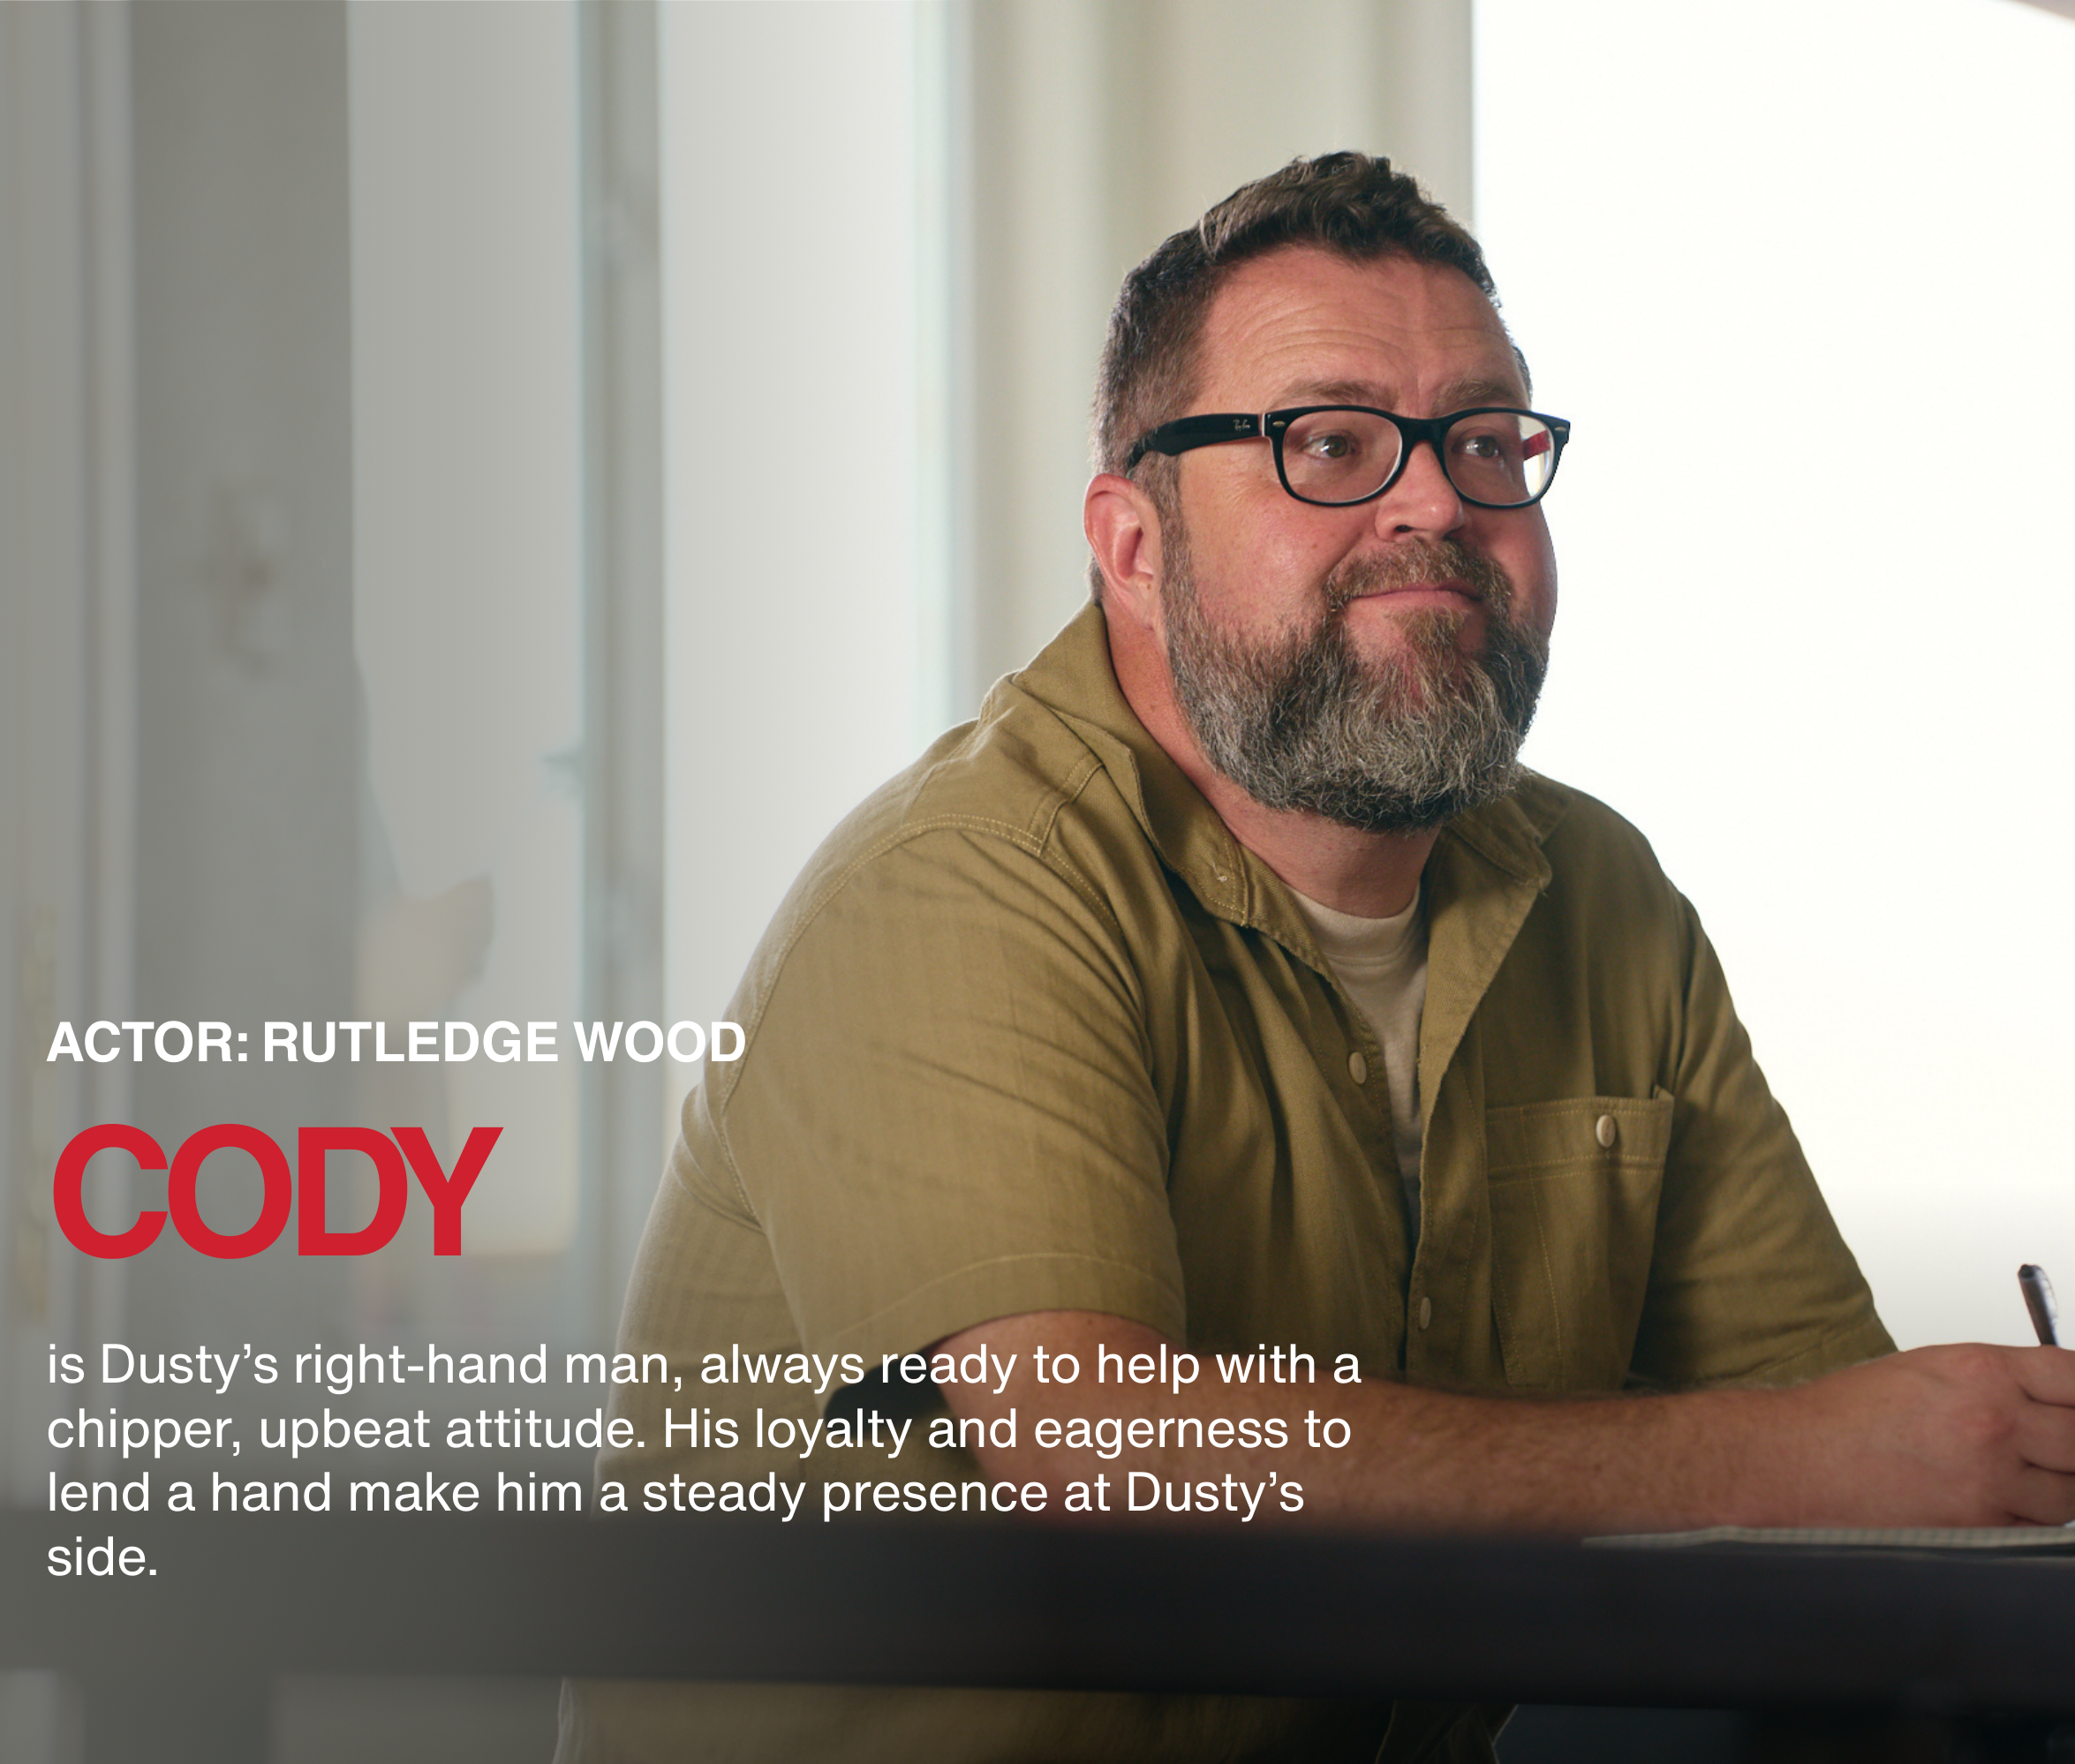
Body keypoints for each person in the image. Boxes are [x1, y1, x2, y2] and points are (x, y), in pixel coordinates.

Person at [558, 152, 2075, 1764]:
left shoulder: (1602, 900)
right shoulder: (960, 884)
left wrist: (1974, 1459)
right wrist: (1792, 1461)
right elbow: (1104, 1452)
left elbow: (1847, 1453)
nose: (1436, 501)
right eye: (1330, 444)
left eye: (1486, 442)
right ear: (1134, 547)